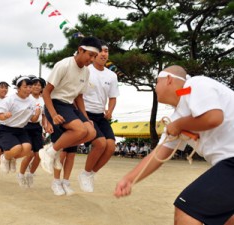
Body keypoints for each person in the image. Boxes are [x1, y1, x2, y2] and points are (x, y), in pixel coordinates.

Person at [114, 65, 234, 225]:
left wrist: (179, 125)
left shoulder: (195, 85)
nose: (155, 88)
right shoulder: (178, 114)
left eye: (157, 82)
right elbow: (159, 154)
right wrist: (129, 179)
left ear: (169, 79)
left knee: (187, 210)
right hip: (228, 163)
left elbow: (213, 118)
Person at [39, 36, 102, 175]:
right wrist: (53, 115)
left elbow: (79, 97)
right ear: (80, 50)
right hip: (55, 103)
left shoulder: (86, 71)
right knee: (80, 131)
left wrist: (86, 118)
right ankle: (49, 152)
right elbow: (45, 92)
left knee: (91, 132)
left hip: (69, 106)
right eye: (90, 55)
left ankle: (55, 150)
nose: (92, 60)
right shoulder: (64, 65)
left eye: (95, 56)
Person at [78, 40, 120, 192]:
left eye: (106, 51)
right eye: (101, 51)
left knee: (110, 147)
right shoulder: (85, 71)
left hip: (101, 115)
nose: (104, 54)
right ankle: (85, 173)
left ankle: (89, 174)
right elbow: (78, 95)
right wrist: (83, 116)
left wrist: (110, 111)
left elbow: (113, 97)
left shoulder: (112, 76)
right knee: (100, 143)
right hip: (85, 113)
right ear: (94, 55)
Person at [0, 75, 37, 174]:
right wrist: (5, 115)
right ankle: (5, 157)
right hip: (6, 129)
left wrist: (38, 113)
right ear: (18, 88)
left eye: (30, 87)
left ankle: (11, 158)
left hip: (21, 129)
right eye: (25, 87)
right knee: (17, 148)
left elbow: (33, 119)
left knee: (27, 149)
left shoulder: (32, 101)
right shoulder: (10, 100)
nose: (28, 89)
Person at [17, 76, 46, 187]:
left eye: (39, 85)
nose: (37, 87)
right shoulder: (26, 98)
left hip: (37, 128)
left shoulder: (43, 100)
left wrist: (45, 126)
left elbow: (43, 115)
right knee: (29, 154)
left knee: (38, 155)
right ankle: (21, 174)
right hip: (25, 126)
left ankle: (30, 174)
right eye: (34, 84)